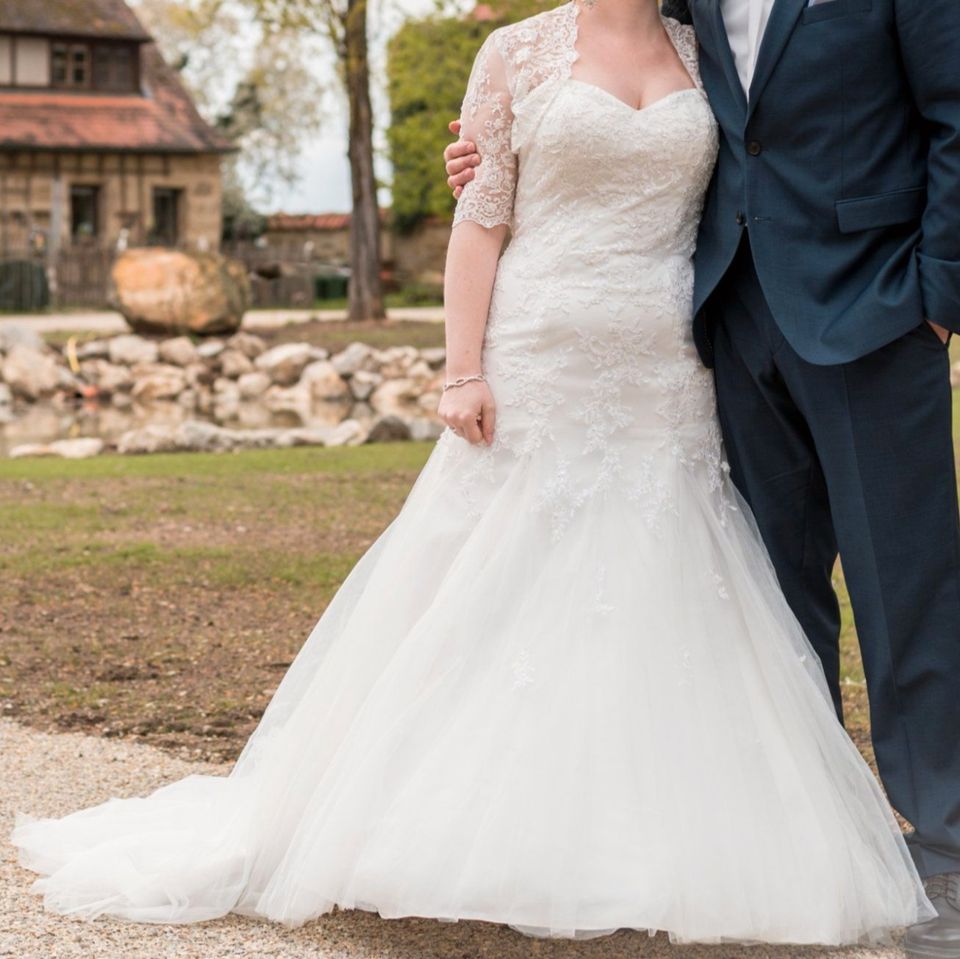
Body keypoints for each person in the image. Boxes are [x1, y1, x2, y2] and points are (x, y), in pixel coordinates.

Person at [12, 0, 935, 943]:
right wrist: (463, 367)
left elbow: (775, 160)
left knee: (669, 580)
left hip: (666, 360)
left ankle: (665, 821)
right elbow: (477, 220)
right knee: (502, 577)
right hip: (541, 349)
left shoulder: (700, 51)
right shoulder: (520, 48)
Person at [442, 0, 960, 954]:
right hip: (724, 322)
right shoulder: (682, 8)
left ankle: (947, 851)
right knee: (764, 600)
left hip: (876, 313)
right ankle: (797, 835)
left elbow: (954, 117)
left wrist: (940, 298)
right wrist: (486, 150)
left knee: (909, 593)